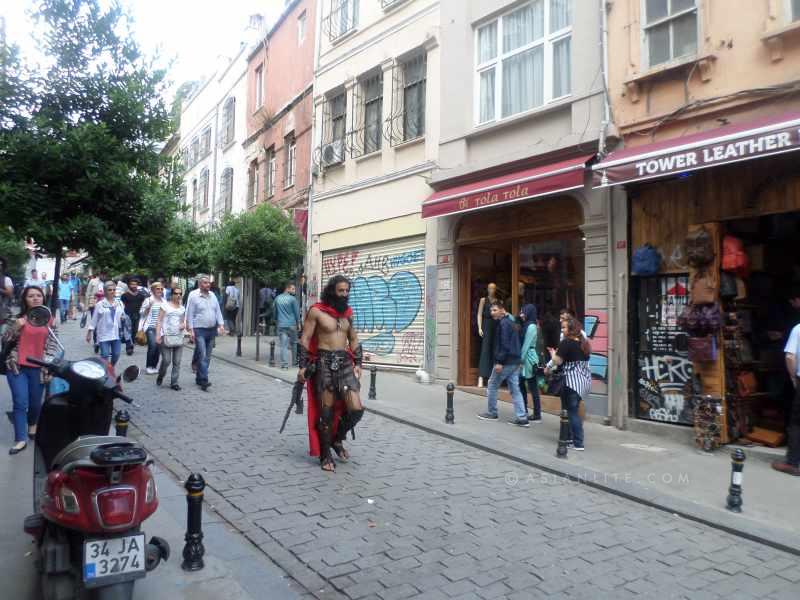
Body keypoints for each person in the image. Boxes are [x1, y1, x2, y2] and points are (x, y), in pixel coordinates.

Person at [298, 275, 365, 472]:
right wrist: (302, 366)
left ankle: (337, 439)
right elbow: (305, 338)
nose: (344, 295)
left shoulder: (347, 314)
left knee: (356, 408)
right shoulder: (317, 311)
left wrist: (358, 362)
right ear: (332, 291)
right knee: (325, 413)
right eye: (340, 291)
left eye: (347, 291)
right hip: (323, 363)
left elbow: (353, 339)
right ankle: (325, 454)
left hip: (344, 363)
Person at [3, 286, 60, 455]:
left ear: (43, 298)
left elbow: (53, 345)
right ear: (25, 300)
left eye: (38, 295)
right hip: (16, 366)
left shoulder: (50, 320)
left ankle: (33, 424)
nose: (35, 298)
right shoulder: (17, 318)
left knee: (35, 404)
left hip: (39, 368)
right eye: (31, 296)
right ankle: (21, 439)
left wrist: (49, 366)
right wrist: (15, 327)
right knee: (20, 402)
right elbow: (4, 340)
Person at [477, 299, 529, 427]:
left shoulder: (504, 324)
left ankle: (492, 412)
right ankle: (522, 417)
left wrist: (499, 361)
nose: (492, 313)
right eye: (491, 310)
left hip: (506, 362)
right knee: (515, 389)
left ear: (502, 310)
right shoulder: (511, 323)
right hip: (514, 361)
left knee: (492, 384)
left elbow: (504, 345)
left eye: (494, 310)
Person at [545, 316, 592, 451]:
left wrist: (553, 354)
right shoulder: (583, 343)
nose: (562, 330)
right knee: (574, 410)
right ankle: (570, 438)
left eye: (564, 328)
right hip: (584, 382)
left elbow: (558, 361)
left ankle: (578, 442)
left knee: (571, 412)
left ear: (571, 329)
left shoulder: (567, 343)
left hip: (571, 382)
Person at [186, 275, 225, 391]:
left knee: (207, 356)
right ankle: (204, 380)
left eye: (209, 283)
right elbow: (190, 313)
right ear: (200, 284)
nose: (208, 285)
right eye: (205, 283)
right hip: (199, 329)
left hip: (211, 330)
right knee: (202, 354)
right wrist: (191, 330)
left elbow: (217, 310)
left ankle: (199, 377)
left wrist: (221, 324)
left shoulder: (213, 296)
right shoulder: (194, 296)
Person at [773, 320, 800, 476]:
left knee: (796, 423)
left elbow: (790, 356)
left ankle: (793, 463)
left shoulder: (798, 329)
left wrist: (793, 377)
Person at [155, 286, 186, 391]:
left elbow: (182, 321)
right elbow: (159, 320)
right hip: (166, 337)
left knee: (177, 362)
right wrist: (158, 335)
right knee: (166, 361)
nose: (178, 296)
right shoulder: (165, 306)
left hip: (178, 337)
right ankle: (161, 375)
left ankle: (174, 382)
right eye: (176, 293)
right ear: (171, 295)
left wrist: (183, 325)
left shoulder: (182, 308)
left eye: (180, 294)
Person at [87, 281, 124, 366]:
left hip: (116, 333)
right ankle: (105, 371)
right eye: (110, 290)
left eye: (114, 290)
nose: (112, 291)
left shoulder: (119, 303)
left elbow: (122, 315)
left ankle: (110, 367)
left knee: (116, 354)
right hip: (104, 333)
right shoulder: (100, 304)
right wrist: (89, 332)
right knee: (105, 354)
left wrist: (122, 318)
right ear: (105, 292)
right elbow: (94, 319)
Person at [518, 303, 542, 424]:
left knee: (532, 387)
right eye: (521, 312)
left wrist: (520, 360)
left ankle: (537, 414)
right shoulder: (526, 325)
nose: (521, 314)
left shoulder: (531, 326)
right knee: (522, 384)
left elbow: (526, 345)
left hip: (528, 359)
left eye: (523, 312)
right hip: (525, 358)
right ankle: (524, 410)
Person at [140, 282, 166, 375]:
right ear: (153, 290)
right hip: (150, 327)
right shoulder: (148, 300)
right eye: (158, 289)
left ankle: (154, 366)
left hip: (161, 329)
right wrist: (148, 307)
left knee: (158, 348)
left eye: (161, 289)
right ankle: (149, 366)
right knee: (153, 345)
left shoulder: (164, 301)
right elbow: (141, 313)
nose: (160, 290)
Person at [274, 282, 301, 369]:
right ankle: (294, 362)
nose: (294, 290)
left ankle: (284, 365)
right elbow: (297, 313)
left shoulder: (277, 298)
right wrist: (299, 323)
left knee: (284, 345)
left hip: (281, 324)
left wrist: (276, 320)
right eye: (293, 289)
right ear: (287, 288)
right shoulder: (292, 299)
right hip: (292, 324)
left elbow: (274, 312)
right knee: (294, 343)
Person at [121, 277, 148, 354]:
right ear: (129, 285)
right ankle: (128, 347)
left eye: (135, 284)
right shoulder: (124, 295)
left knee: (134, 331)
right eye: (132, 284)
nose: (134, 286)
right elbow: (122, 306)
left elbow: (143, 305)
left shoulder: (141, 295)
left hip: (137, 315)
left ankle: (132, 344)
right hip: (127, 315)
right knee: (127, 331)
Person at [0, 257, 14, 343]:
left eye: (0, 265)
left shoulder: (6, 279)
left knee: (2, 337)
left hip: (2, 311)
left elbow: (9, 293)